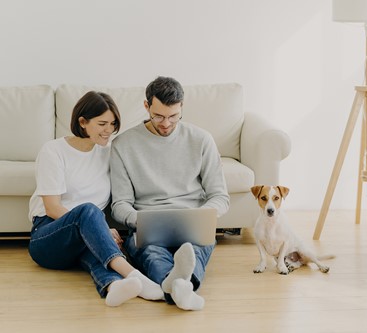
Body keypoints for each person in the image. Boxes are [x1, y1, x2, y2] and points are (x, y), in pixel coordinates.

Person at [28, 91, 164, 307]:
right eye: (102, 123)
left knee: (96, 251)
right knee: (89, 210)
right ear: (82, 122)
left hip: (85, 238)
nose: (109, 130)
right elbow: (52, 208)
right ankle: (135, 276)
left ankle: (113, 287)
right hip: (48, 236)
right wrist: (98, 226)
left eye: (112, 123)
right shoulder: (53, 150)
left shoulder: (109, 153)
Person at [110, 76, 230, 311]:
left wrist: (201, 216)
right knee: (151, 253)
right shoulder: (123, 144)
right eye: (159, 116)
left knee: (196, 249)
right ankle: (183, 288)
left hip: (192, 221)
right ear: (146, 106)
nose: (166, 123)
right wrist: (140, 220)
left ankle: (175, 287)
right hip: (148, 224)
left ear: (182, 107)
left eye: (174, 116)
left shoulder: (201, 139)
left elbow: (220, 196)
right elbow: (120, 204)